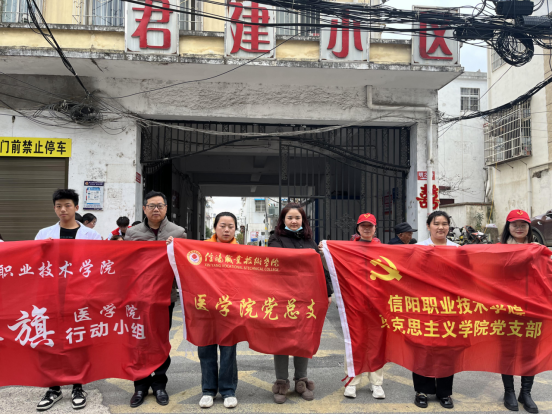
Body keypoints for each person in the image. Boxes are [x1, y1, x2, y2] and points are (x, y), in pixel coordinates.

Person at [34, 189, 101, 412]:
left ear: (76, 207)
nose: (63, 210)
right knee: (51, 340)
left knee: (77, 340)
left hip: (80, 296)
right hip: (51, 296)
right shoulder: (44, 234)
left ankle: (77, 386)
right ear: (54, 208)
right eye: (59, 206)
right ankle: (53, 388)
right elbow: (33, 264)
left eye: (68, 205)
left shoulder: (92, 236)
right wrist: (41, 250)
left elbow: (100, 265)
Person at [125, 191, 186, 408]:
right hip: (138, 298)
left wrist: (175, 249)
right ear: (144, 209)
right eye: (151, 206)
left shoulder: (178, 233)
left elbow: (184, 266)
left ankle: (160, 384)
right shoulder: (132, 233)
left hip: (164, 298)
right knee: (139, 340)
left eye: (160, 205)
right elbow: (126, 264)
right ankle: (140, 385)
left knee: (160, 341)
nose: (156, 209)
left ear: (166, 208)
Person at [268, 203, 333, 404]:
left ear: (303, 220)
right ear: (283, 220)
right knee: (282, 339)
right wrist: (311, 254)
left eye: (297, 218)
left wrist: (328, 291)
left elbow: (320, 269)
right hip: (282, 297)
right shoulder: (275, 239)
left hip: (306, 298)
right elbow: (282, 260)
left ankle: (301, 380)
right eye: (290, 218)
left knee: (303, 337)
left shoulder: (309, 241)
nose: (294, 221)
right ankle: (281, 381)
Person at [320, 213, 386, 400]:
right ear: (357, 228)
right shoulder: (347, 249)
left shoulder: (383, 250)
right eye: (363, 225)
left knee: (377, 343)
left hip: (377, 304)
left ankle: (376, 383)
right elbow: (332, 268)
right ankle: (352, 381)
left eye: (370, 226)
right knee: (354, 342)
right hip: (354, 304)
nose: (366, 229)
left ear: (375, 228)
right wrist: (325, 254)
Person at [413, 211, 459, 410]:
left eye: (444, 223)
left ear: (449, 227)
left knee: (446, 350)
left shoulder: (458, 250)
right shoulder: (418, 248)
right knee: (422, 349)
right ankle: (422, 391)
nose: (441, 227)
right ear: (428, 226)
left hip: (449, 308)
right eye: (436, 223)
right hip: (423, 307)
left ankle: (444, 392)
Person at [197, 212, 239, 409]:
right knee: (206, 350)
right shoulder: (201, 248)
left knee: (228, 350)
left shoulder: (242, 252)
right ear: (215, 227)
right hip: (205, 308)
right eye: (222, 226)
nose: (226, 230)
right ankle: (208, 390)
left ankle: (228, 390)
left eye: (231, 226)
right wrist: (173, 245)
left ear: (236, 229)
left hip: (230, 309)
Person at [500, 209, 539, 414]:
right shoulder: (498, 250)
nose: (519, 228)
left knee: (529, 352)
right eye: (514, 224)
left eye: (523, 224)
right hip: (506, 309)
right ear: (508, 227)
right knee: (507, 351)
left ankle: (526, 392)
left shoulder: (538, 249)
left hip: (533, 308)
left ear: (528, 227)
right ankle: (509, 391)